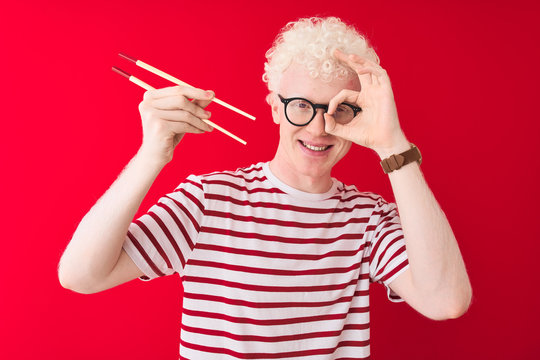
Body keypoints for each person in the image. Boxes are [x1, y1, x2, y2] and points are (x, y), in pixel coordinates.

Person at [58, 16, 472, 359]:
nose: (319, 127)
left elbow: (446, 302)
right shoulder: (207, 201)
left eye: (340, 110)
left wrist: (393, 144)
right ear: (276, 107)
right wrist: (152, 156)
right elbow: (81, 275)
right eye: (300, 106)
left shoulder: (368, 217)